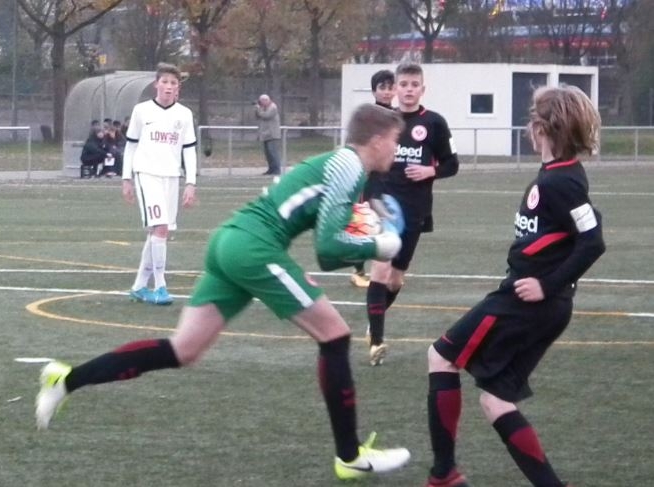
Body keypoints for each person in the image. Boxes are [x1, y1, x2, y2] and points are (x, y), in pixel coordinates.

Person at [35, 103, 412, 480]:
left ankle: (65, 380)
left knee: (183, 350)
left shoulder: (341, 163)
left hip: (230, 241)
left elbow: (326, 243)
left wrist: (364, 241)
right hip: (254, 248)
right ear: (377, 139)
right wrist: (380, 246)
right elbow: (329, 249)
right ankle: (349, 456)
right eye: (395, 140)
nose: (397, 149)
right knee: (335, 336)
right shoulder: (349, 167)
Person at [423, 84, 605, 487]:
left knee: (441, 357)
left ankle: (443, 474)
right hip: (543, 305)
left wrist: (548, 284)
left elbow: (593, 240)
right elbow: (591, 225)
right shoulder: (560, 175)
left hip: (525, 302)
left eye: (532, 118)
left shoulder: (561, 182)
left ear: (542, 128)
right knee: (496, 400)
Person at [366, 62, 459, 366]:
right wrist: (367, 200)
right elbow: (367, 163)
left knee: (395, 280)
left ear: (422, 89)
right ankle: (376, 342)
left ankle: (374, 320)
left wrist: (431, 171)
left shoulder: (434, 123)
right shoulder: (382, 121)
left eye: (413, 85)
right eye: (403, 84)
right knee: (380, 271)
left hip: (415, 209)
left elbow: (452, 164)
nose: (408, 90)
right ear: (395, 89)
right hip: (384, 208)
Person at [121, 62, 197, 305]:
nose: (168, 86)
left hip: (171, 177)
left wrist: (191, 183)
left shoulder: (184, 114)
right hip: (147, 174)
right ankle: (160, 286)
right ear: (156, 84)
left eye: (173, 83)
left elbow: (189, 151)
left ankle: (139, 287)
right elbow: (131, 146)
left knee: (158, 232)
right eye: (164, 82)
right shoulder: (142, 111)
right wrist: (126, 178)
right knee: (161, 227)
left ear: (178, 88)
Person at [351, 69, 395, 289]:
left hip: (391, 179)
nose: (386, 92)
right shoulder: (368, 117)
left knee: (389, 223)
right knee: (364, 223)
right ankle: (358, 271)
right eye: (382, 87)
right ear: (374, 91)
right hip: (370, 179)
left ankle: (386, 270)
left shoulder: (397, 117)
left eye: (390, 87)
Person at [255, 94, 282, 175]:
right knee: (268, 154)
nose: (261, 103)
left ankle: (277, 169)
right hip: (265, 134)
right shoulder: (263, 108)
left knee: (273, 152)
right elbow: (258, 116)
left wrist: (259, 109)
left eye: (261, 101)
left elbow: (266, 116)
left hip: (272, 134)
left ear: (266, 100)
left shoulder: (273, 107)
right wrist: (257, 109)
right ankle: (271, 169)